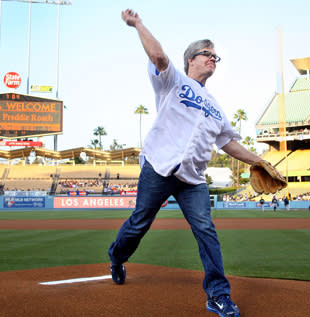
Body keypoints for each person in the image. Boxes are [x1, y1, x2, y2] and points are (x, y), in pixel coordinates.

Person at [108, 9, 264, 317]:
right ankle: (116, 256)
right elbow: (159, 58)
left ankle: (218, 295)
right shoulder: (173, 81)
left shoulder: (216, 108)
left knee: (206, 229)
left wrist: (259, 160)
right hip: (158, 166)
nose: (213, 59)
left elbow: (228, 142)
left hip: (193, 179)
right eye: (208, 54)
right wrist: (138, 24)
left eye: (216, 57)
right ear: (190, 58)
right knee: (139, 222)